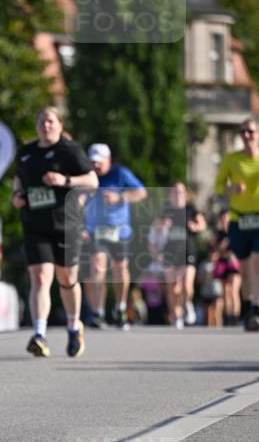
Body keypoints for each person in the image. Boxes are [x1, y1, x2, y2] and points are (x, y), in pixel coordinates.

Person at [13, 106, 98, 358]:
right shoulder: (26, 153)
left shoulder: (70, 151)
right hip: (35, 225)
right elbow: (19, 179)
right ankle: (39, 334)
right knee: (40, 278)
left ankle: (74, 326)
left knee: (67, 280)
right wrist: (17, 195)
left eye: (50, 121)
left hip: (66, 225)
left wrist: (65, 181)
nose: (45, 125)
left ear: (60, 125)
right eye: (41, 121)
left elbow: (93, 181)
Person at [82, 143, 147, 329]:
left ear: (108, 160)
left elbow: (141, 192)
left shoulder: (120, 173)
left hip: (119, 231)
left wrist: (121, 198)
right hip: (96, 231)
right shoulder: (88, 177)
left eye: (99, 162)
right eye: (92, 162)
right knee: (97, 269)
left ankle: (120, 308)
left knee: (120, 269)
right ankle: (99, 313)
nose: (96, 166)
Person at [214, 118, 259, 331]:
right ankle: (249, 309)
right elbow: (218, 186)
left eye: (250, 131)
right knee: (244, 269)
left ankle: (257, 310)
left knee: (257, 263)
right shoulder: (232, 159)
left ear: (258, 134)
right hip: (239, 218)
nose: (246, 136)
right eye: (243, 132)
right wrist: (232, 190)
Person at [156, 182, 207, 328]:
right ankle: (175, 315)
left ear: (185, 194)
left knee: (187, 285)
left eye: (180, 192)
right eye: (175, 192)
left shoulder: (191, 209)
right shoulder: (166, 210)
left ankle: (188, 304)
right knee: (173, 287)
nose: (178, 194)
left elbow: (203, 224)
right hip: (170, 252)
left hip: (187, 251)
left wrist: (195, 226)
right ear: (171, 194)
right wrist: (163, 225)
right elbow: (156, 228)